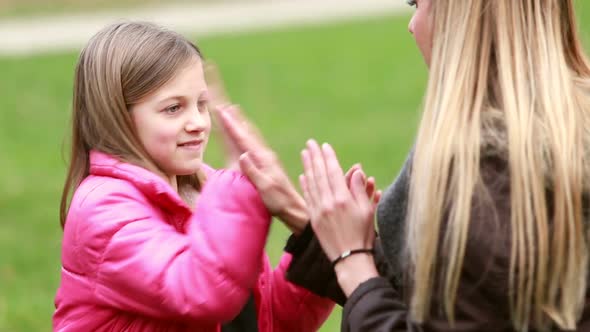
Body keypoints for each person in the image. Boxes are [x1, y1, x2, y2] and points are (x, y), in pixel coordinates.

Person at [217, 0, 590, 331]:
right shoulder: (569, 130)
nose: (412, 26)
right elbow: (461, 307)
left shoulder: (484, 174)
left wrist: (354, 260)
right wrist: (309, 220)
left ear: (459, 15)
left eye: (416, 5)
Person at [53, 21, 333, 332]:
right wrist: (239, 183)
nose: (198, 122)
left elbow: (266, 321)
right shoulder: (104, 209)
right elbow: (202, 292)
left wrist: (322, 239)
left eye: (202, 104)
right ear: (117, 117)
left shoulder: (209, 193)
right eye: (174, 108)